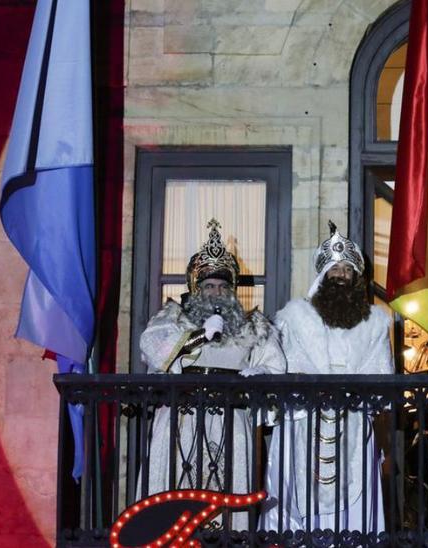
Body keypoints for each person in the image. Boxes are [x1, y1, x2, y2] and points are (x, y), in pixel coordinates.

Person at [139, 219, 286, 528]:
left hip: (231, 421)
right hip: (183, 418)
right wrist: (199, 336)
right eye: (209, 286)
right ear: (196, 289)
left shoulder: (253, 325)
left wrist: (260, 372)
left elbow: (275, 367)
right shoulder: (174, 317)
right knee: (177, 496)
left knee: (227, 506)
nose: (216, 293)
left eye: (223, 286)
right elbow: (152, 347)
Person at [261, 221, 391, 534]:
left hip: (355, 427)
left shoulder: (375, 323)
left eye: (348, 270)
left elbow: (381, 375)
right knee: (296, 500)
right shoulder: (294, 318)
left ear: (357, 278)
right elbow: (283, 365)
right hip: (302, 425)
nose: (341, 276)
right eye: (335, 270)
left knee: (356, 516)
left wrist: (350, 397)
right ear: (322, 276)